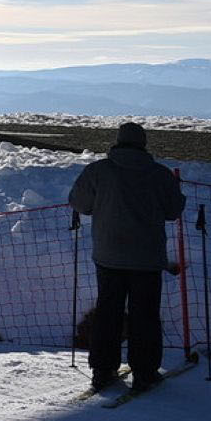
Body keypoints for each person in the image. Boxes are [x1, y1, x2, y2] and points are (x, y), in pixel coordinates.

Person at [69, 121, 187, 395]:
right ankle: (145, 372)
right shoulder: (159, 175)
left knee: (108, 312)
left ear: (117, 143)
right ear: (143, 144)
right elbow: (173, 211)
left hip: (108, 256)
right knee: (144, 314)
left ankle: (102, 370)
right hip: (147, 258)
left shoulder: (98, 171)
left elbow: (80, 203)